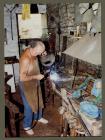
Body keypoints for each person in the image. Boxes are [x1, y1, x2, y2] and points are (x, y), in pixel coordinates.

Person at [19, 40, 48, 135]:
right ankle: (26, 125)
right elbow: (22, 77)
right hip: (26, 84)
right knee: (29, 106)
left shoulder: (33, 51)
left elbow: (39, 52)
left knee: (38, 100)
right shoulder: (25, 59)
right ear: (32, 48)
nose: (39, 54)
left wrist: (42, 53)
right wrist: (36, 76)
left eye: (41, 52)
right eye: (38, 52)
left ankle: (38, 117)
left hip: (35, 82)